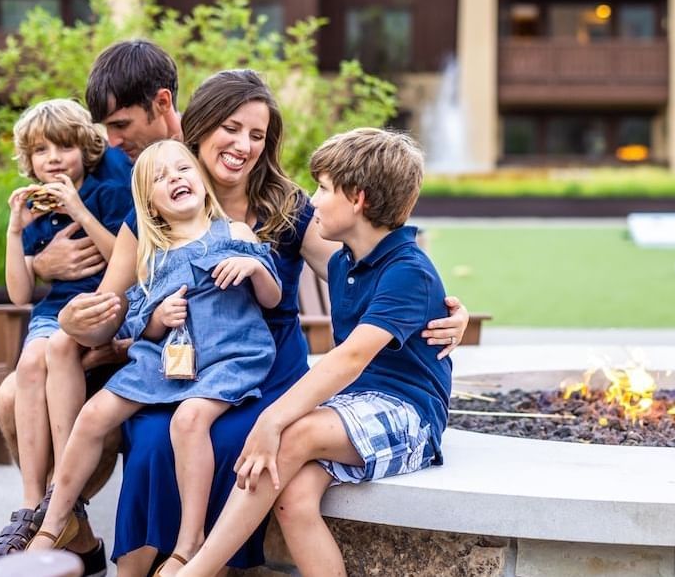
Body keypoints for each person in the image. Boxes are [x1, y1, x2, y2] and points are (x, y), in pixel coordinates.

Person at [58, 69, 472, 575]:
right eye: (231, 128)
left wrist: (450, 310)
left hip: (262, 372)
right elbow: (112, 310)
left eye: (257, 135)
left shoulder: (291, 207)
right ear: (202, 128)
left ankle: (206, 562)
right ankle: (147, 560)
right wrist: (84, 323)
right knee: (151, 443)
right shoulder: (158, 206)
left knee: (240, 439)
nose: (243, 145)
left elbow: (378, 265)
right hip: (175, 370)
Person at [174, 128, 451, 577]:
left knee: (290, 434)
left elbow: (350, 358)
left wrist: (271, 419)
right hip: (355, 406)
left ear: (357, 198)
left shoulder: (407, 269)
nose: (313, 200)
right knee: (293, 501)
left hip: (410, 414)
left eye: (323, 188)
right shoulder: (345, 261)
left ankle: (196, 569)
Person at [0, 40, 183, 575]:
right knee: (13, 390)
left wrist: (110, 327)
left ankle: (55, 513)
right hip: (79, 319)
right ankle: (48, 515)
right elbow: (29, 286)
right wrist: (36, 260)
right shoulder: (53, 196)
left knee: (47, 371)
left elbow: (123, 266)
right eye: (40, 153)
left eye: (120, 125)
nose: (112, 140)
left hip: (138, 332)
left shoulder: (137, 176)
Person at [29, 140, 283, 577]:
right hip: (167, 358)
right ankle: (53, 522)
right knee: (93, 415)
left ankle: (189, 543)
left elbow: (272, 297)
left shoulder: (235, 233)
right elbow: (136, 324)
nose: (175, 179)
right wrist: (157, 321)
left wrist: (256, 270)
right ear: (150, 202)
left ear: (202, 183)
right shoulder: (151, 255)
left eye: (182, 169)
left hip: (230, 356)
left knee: (188, 421)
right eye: (161, 178)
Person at [0, 101, 133, 574]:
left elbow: (126, 262)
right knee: (30, 364)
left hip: (100, 310)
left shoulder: (107, 191)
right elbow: (19, 294)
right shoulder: (36, 206)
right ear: (28, 158)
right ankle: (35, 503)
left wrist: (79, 209)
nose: (52, 158)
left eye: (64, 147)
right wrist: (17, 235)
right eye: (40, 150)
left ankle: (58, 499)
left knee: (55, 353)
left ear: (85, 150)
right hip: (51, 312)